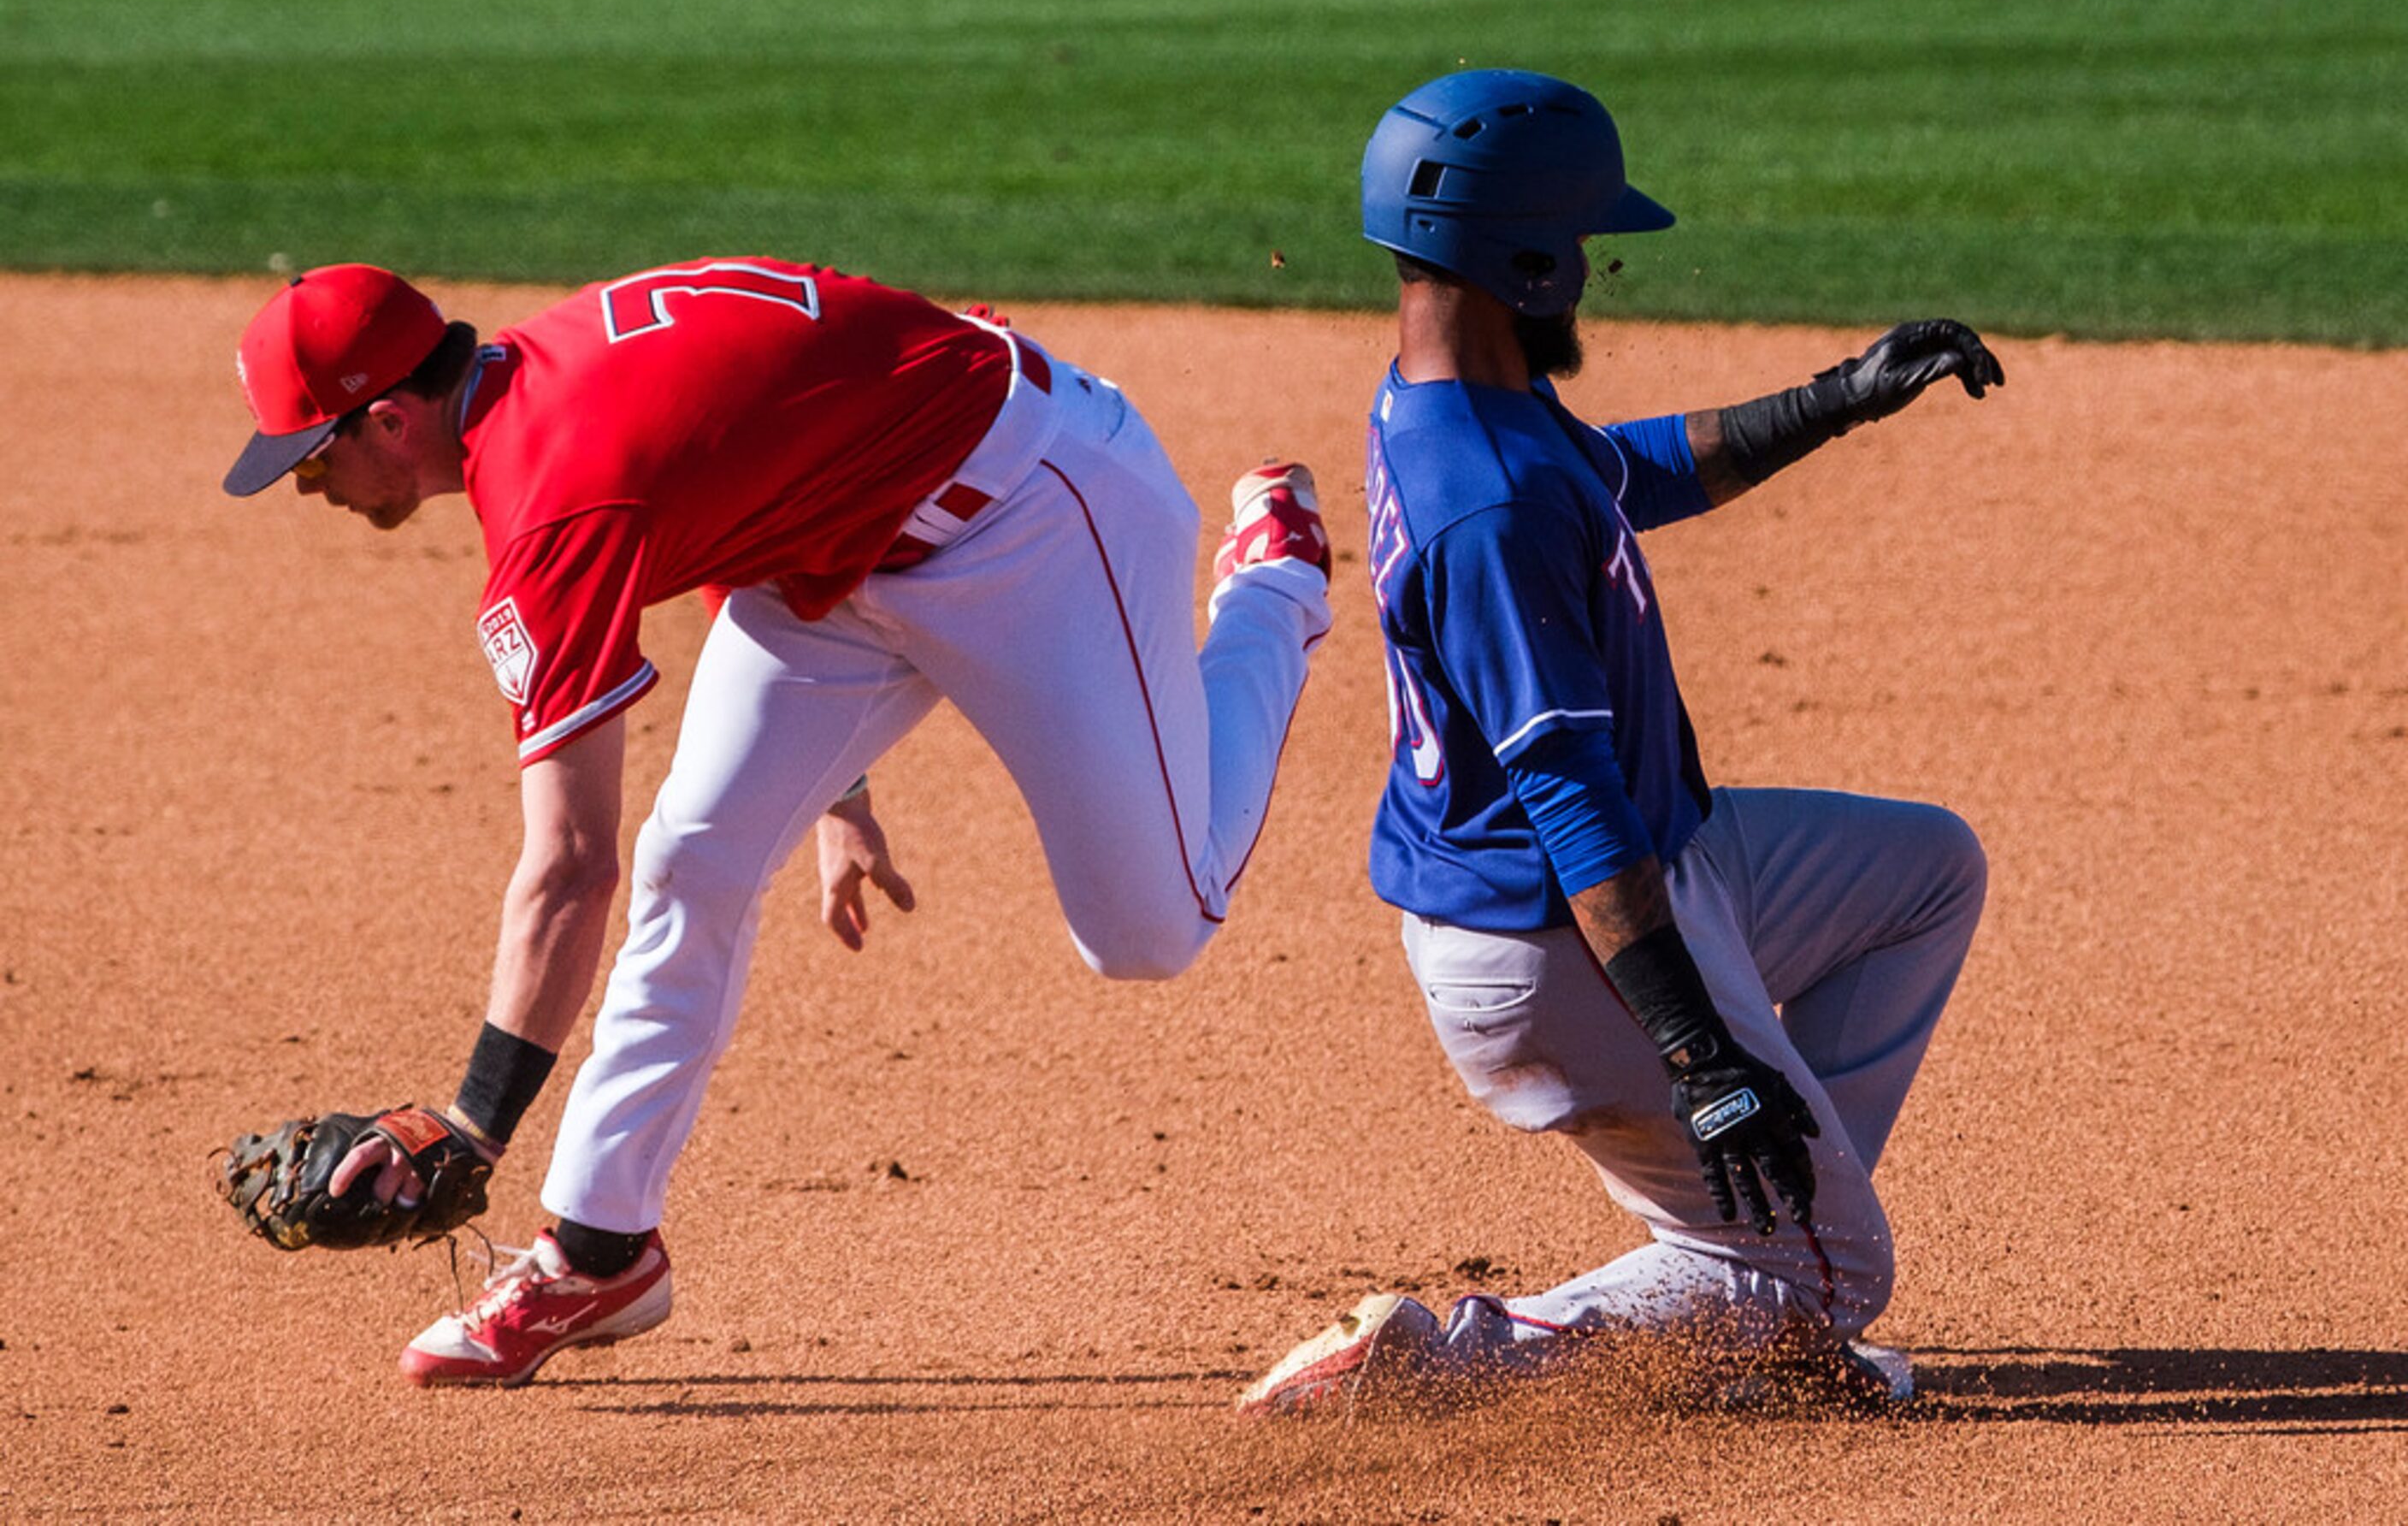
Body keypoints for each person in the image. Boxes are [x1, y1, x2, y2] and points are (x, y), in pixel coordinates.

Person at [224, 257, 1333, 1387]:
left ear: (393, 419)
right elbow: (730, 458)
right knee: (691, 859)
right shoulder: (553, 381)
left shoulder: (555, 503)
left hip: (1035, 516)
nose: (312, 488)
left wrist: (467, 1125)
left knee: (1151, 928)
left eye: (314, 458)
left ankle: (1274, 589)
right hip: (838, 550)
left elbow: (567, 866)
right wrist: (836, 787)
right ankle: (598, 1251)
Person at [1237, 70, 2002, 1416]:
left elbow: (1615, 471)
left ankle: (1757, 1271)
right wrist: (1705, 1060)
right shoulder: (1490, 501)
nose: (1592, 269)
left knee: (1925, 869)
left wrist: (1837, 398)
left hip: (1653, 866)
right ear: (1524, 260)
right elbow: (1571, 801)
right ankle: (1448, 1359)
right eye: (1581, 245)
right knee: (1840, 1276)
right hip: (1561, 937)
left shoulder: (1455, 401)